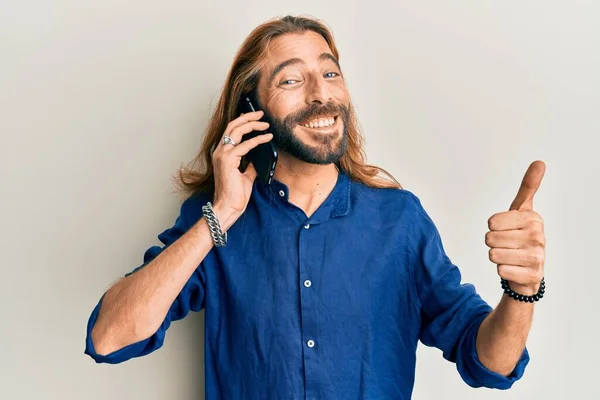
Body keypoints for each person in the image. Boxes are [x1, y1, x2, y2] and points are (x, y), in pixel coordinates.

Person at [84, 15, 547, 400]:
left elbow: (489, 361)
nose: (320, 93)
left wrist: (521, 290)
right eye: (290, 79)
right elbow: (110, 338)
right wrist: (220, 215)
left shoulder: (400, 222)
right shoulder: (213, 219)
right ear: (252, 108)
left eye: (329, 73)